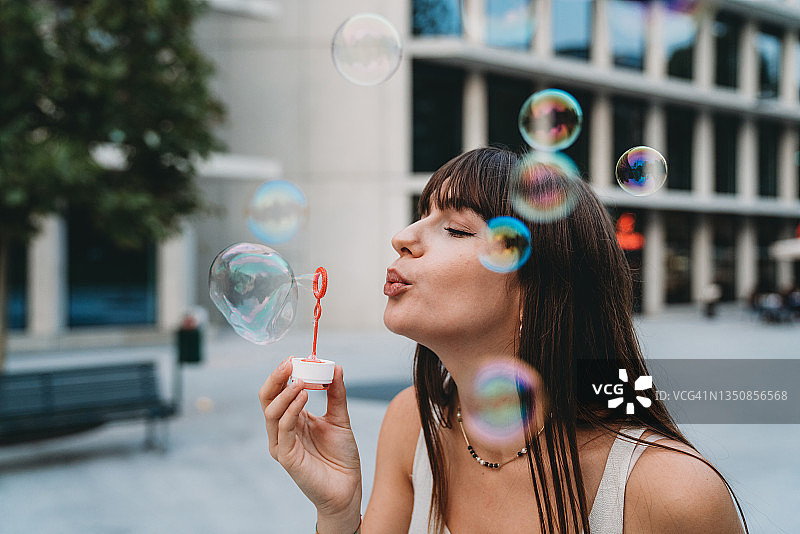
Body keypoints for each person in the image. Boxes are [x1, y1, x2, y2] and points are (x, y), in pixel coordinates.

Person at [258, 147, 749, 534]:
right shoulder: (412, 423)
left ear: (540, 286)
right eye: (420, 215)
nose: (403, 236)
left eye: (455, 228)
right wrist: (339, 512)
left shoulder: (672, 492)